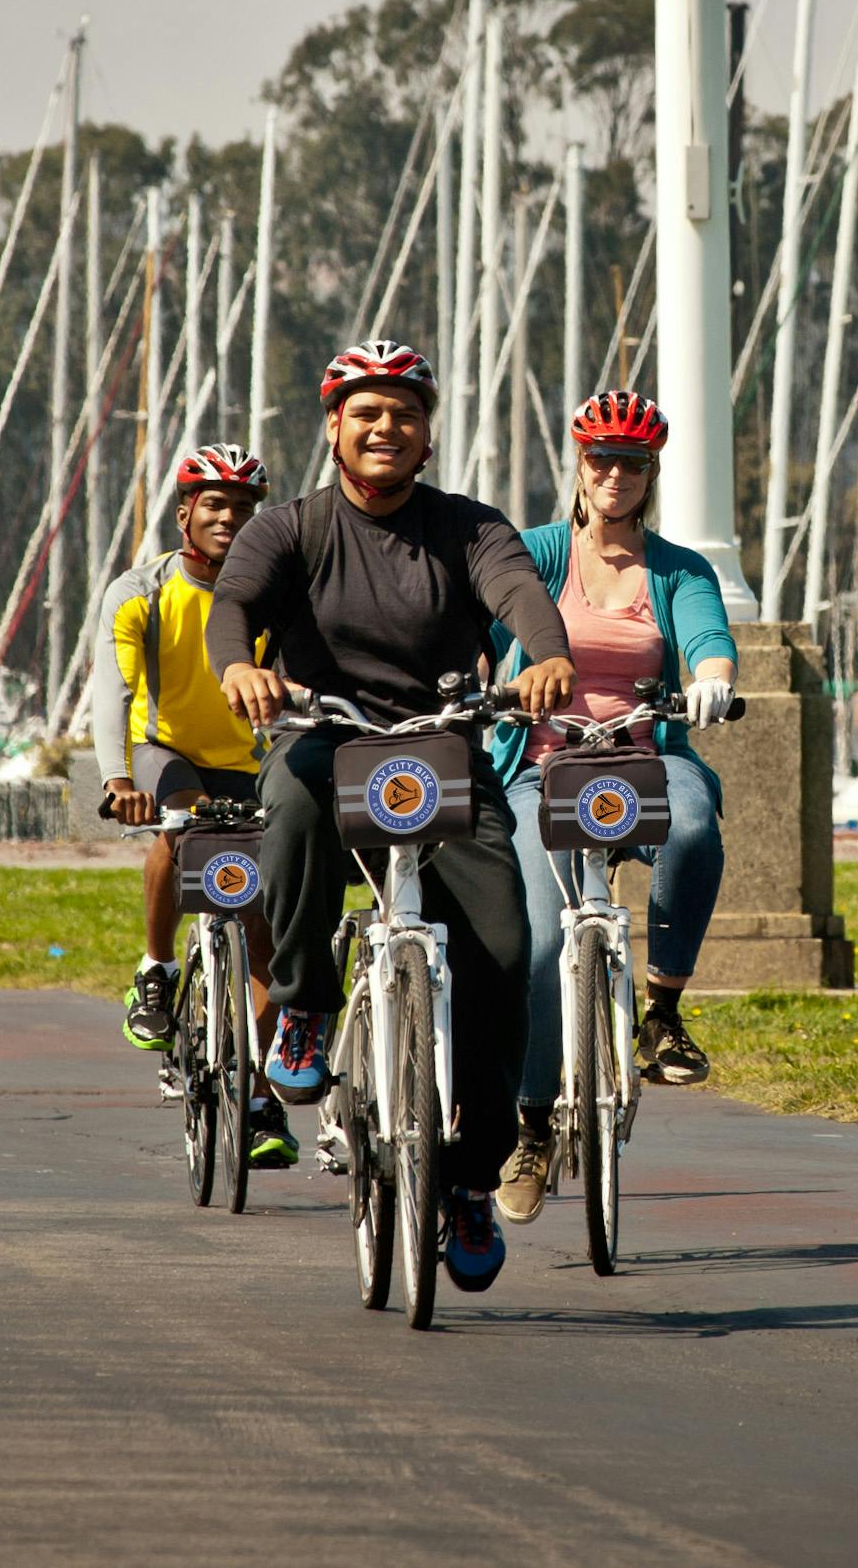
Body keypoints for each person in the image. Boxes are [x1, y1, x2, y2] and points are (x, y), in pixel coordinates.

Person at [208, 340, 574, 1293]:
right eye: (365, 412)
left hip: (440, 746)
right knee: (284, 800)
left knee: (504, 950)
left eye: (404, 414)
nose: (385, 428)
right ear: (334, 426)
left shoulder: (468, 527)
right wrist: (242, 665)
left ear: (425, 432)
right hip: (326, 736)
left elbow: (521, 594)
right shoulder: (288, 529)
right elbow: (235, 603)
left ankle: (468, 1183)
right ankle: (303, 1005)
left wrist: (543, 654)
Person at [485, 391, 738, 1224]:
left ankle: (661, 1009)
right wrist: (489, 686)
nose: (615, 474)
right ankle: (529, 1128)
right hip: (540, 767)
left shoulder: (679, 569)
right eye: (601, 458)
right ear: (579, 464)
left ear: (651, 473)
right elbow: (481, 630)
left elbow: (706, 638)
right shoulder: (538, 553)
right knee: (542, 938)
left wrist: (709, 683)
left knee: (697, 822)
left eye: (631, 462)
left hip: (645, 757)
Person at [92, 442, 299, 1169]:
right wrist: (118, 779)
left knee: (272, 929)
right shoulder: (140, 590)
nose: (230, 519)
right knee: (182, 825)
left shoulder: (277, 590)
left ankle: (257, 1086)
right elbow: (112, 691)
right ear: (185, 511)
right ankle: (156, 968)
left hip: (250, 762)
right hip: (165, 751)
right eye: (215, 504)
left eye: (245, 508)